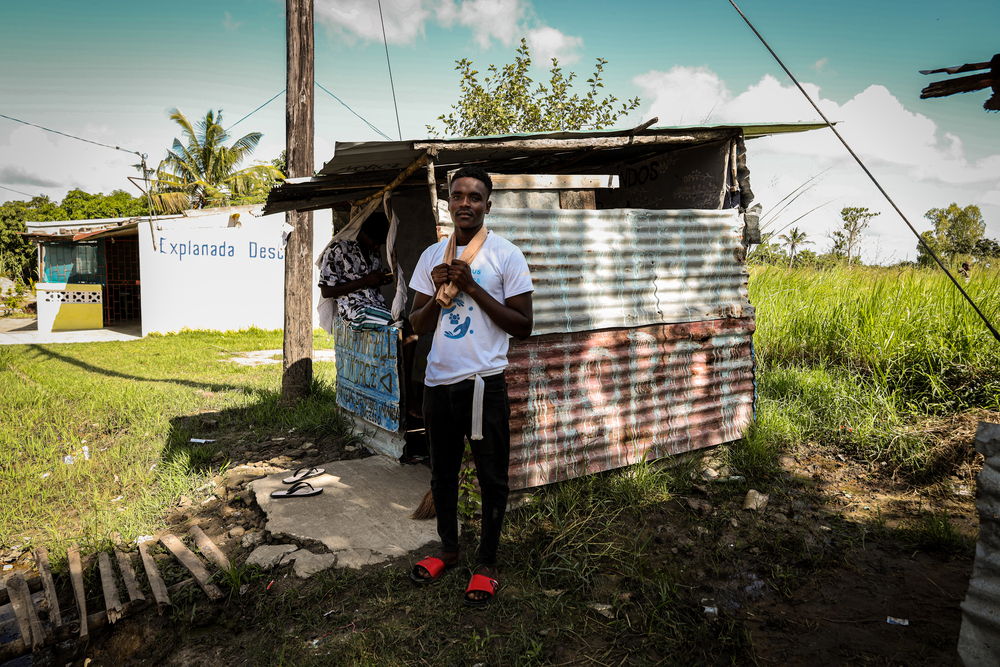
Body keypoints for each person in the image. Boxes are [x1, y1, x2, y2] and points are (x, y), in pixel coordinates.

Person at [407, 166, 533, 607]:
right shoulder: (430, 257)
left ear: (487, 205)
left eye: (475, 197)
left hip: (483, 384)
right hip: (437, 383)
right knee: (441, 473)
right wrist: (440, 286)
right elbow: (416, 324)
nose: (465, 203)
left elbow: (524, 326)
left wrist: (472, 288)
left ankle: (487, 563)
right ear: (448, 201)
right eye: (458, 196)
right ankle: (448, 550)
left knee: (490, 476)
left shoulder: (505, 255)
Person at [317, 212, 393, 323]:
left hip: (376, 307)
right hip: (353, 312)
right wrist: (365, 281)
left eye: (380, 244)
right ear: (363, 233)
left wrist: (380, 280)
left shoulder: (374, 253)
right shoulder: (338, 250)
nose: (377, 247)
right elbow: (326, 291)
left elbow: (370, 284)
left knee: (404, 325)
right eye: (375, 242)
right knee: (401, 327)